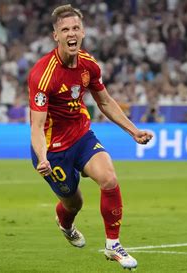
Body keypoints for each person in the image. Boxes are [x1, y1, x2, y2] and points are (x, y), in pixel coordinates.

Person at [28, 5, 153, 270]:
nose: (71, 33)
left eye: (75, 28)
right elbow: (37, 126)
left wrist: (134, 131)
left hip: (82, 135)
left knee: (109, 178)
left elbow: (105, 102)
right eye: (65, 30)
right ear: (55, 36)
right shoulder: (42, 74)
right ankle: (65, 223)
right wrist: (42, 157)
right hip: (52, 150)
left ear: (82, 32)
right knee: (74, 203)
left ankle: (113, 245)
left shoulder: (89, 64)